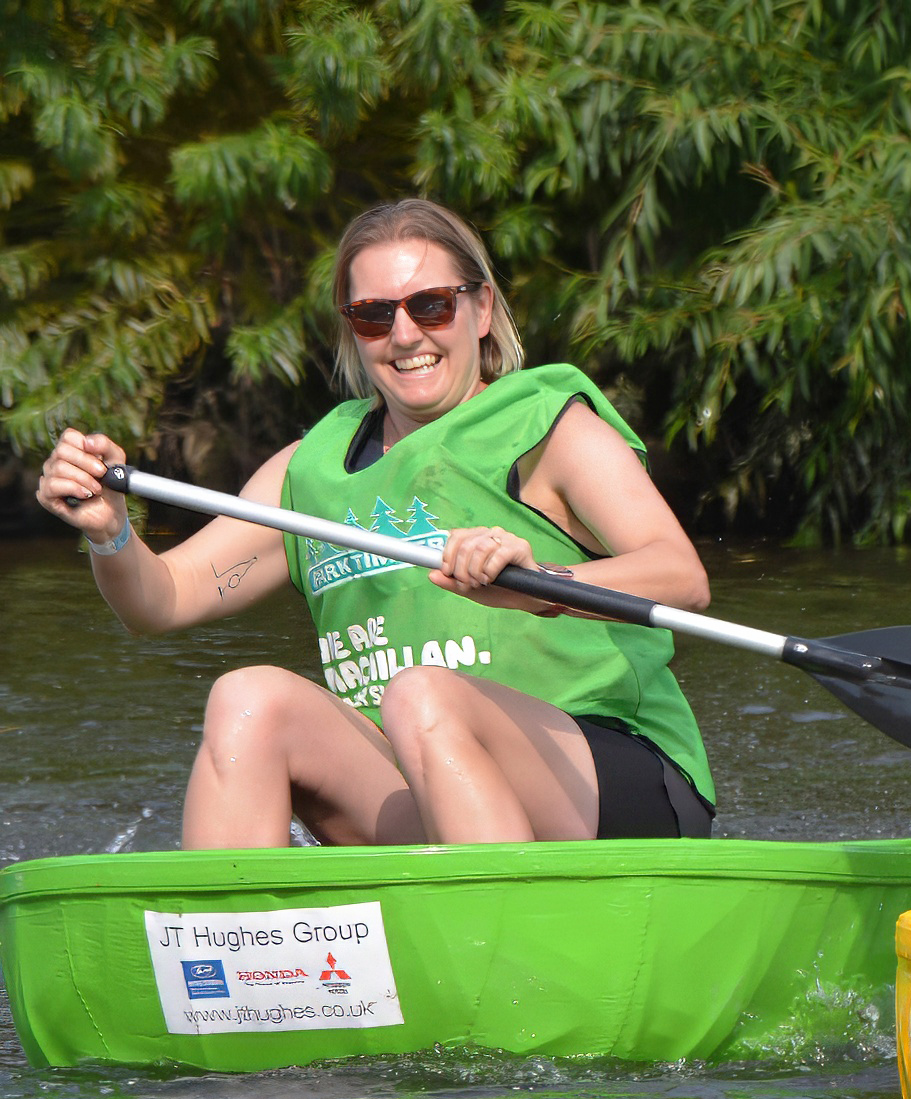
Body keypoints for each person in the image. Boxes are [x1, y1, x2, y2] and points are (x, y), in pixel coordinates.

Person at [35, 198, 717, 849]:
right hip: (426, 778)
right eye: (372, 314)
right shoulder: (311, 469)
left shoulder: (551, 429)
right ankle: (241, 952)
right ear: (351, 330)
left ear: (480, 310)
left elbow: (681, 578)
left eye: (430, 305)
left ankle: (500, 949)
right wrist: (109, 532)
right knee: (246, 699)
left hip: (608, 780)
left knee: (422, 695)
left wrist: (539, 582)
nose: (404, 333)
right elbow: (162, 598)